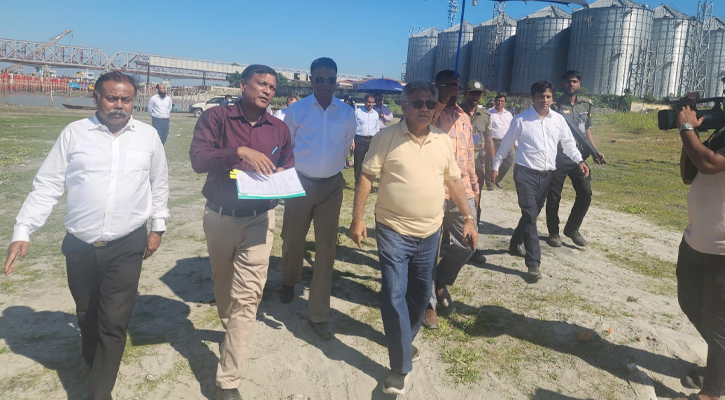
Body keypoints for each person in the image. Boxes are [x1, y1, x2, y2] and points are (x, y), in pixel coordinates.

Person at [4, 71, 169, 400]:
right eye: (112, 98)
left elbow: (158, 183)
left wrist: (158, 226)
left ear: (134, 101)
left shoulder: (148, 137)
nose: (119, 105)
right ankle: (95, 366)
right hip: (79, 245)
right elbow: (48, 185)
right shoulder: (74, 134)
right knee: (87, 315)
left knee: (114, 321)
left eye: (126, 99)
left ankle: (99, 392)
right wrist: (23, 230)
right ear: (96, 98)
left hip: (127, 243)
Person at [349, 80, 477, 395]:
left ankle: (405, 339)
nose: (424, 109)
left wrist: (468, 218)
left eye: (430, 104)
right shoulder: (385, 138)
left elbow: (454, 181)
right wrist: (357, 219)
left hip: (430, 232)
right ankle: (400, 367)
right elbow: (366, 176)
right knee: (394, 293)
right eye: (417, 103)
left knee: (420, 295)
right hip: (392, 229)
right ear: (404, 106)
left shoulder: (442, 140)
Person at [189, 64, 294, 400]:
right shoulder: (216, 118)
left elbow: (288, 163)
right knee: (224, 288)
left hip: (260, 219)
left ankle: (228, 380)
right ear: (243, 85)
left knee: (248, 297)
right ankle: (231, 328)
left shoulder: (279, 128)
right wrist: (238, 153)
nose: (267, 90)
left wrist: (281, 172)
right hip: (220, 216)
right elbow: (198, 160)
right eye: (261, 83)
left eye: (272, 87)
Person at [279, 57, 355, 340]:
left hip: (332, 187)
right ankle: (290, 280)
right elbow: (288, 147)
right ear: (311, 80)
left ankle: (318, 314)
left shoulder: (346, 112)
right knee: (292, 239)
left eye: (330, 79)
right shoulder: (296, 111)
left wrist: (330, 169)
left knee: (326, 249)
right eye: (319, 79)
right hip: (300, 183)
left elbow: (345, 147)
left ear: (337, 81)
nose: (325, 84)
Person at [492, 81, 588, 282]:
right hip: (525, 173)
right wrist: (496, 166)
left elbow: (568, 144)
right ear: (532, 98)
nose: (545, 100)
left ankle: (515, 242)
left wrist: (580, 161)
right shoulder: (521, 120)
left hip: (547, 175)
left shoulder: (558, 120)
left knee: (531, 214)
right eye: (541, 96)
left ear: (552, 98)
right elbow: (506, 144)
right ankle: (533, 263)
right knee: (530, 215)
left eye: (548, 97)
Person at [674, 105, 725, 400]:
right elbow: (688, 174)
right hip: (698, 239)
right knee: (690, 302)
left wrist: (687, 129)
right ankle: (721, 365)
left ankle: (712, 392)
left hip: (722, 248)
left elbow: (708, 163)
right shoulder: (721, 132)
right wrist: (690, 135)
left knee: (718, 321)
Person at [423, 70, 479, 329]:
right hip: (433, 187)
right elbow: (424, 126)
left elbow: (469, 155)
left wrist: (475, 189)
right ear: (437, 85)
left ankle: (440, 281)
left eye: (456, 85)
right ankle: (428, 303)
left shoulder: (464, 117)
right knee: (429, 249)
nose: (454, 88)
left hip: (461, 190)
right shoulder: (426, 111)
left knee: (468, 243)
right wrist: (441, 99)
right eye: (448, 85)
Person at [546, 70, 605, 248]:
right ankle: (553, 232)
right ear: (563, 83)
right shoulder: (554, 105)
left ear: (579, 84)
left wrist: (594, 151)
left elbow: (586, 130)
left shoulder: (586, 104)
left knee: (585, 194)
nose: (571, 84)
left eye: (574, 81)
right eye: (568, 81)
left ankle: (572, 229)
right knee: (554, 196)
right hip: (559, 156)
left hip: (579, 157)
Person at [461, 80, 491, 265]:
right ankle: (445, 242)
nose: (474, 97)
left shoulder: (485, 115)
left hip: (477, 164)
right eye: (472, 93)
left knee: (474, 204)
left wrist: (493, 165)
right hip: (456, 163)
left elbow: (489, 140)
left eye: (478, 94)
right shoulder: (455, 111)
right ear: (465, 94)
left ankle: (472, 245)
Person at [484, 93, 515, 190]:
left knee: (509, 160)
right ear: (495, 101)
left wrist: (515, 142)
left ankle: (497, 178)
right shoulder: (489, 113)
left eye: (502, 101)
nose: (499, 103)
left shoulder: (508, 115)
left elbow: (512, 128)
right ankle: (489, 184)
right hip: (492, 141)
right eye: (498, 100)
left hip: (505, 142)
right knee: (490, 162)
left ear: (505, 103)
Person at [353, 93, 380, 184]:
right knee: (358, 163)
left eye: (372, 102)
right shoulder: (358, 112)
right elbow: (352, 127)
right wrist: (352, 141)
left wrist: (377, 141)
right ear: (365, 101)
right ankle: (358, 183)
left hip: (371, 140)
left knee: (371, 163)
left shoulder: (375, 114)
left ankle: (368, 184)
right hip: (359, 140)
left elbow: (377, 128)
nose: (370, 104)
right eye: (369, 102)